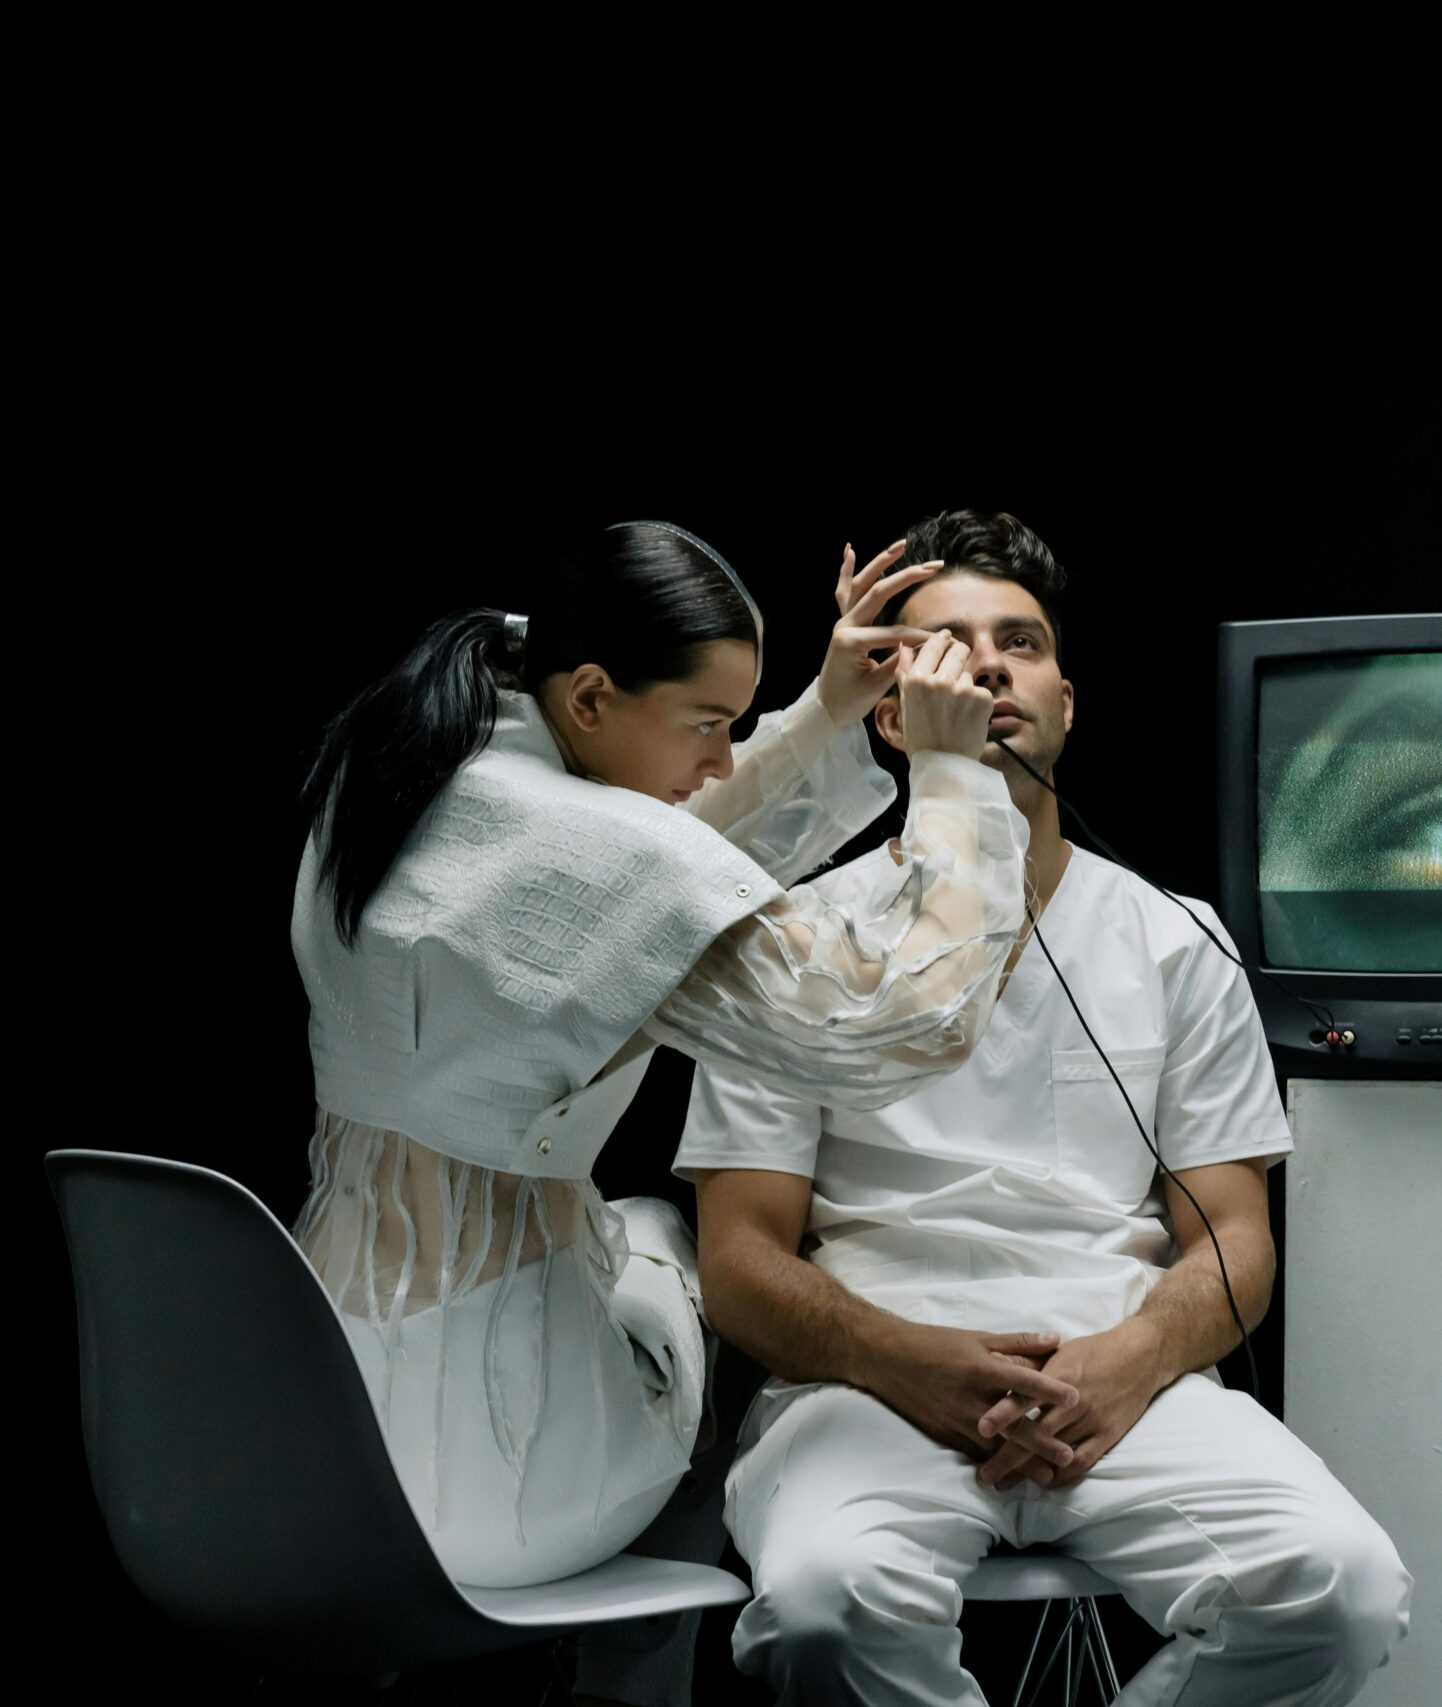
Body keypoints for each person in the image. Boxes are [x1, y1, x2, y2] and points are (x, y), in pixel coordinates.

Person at [680, 510, 1410, 1705]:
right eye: (944, 644)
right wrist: (905, 1362)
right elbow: (741, 1258)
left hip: (1118, 1388)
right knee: (823, 1605)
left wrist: (1124, 1365)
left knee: (1339, 1587)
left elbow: (1233, 1238)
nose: (985, 665)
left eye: (1019, 642)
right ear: (885, 706)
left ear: (1067, 699)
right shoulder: (792, 942)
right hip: (866, 1389)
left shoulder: (1175, 940)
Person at [288, 521, 1030, 1611]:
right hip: (490, 1483)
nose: (723, 760)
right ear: (589, 696)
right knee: (686, 1263)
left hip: (306, 1426)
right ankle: (630, 1685)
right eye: (709, 724)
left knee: (640, 1238)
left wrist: (824, 707)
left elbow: (636, 869)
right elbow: (906, 1020)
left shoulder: (409, 756)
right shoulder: (586, 849)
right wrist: (954, 776)